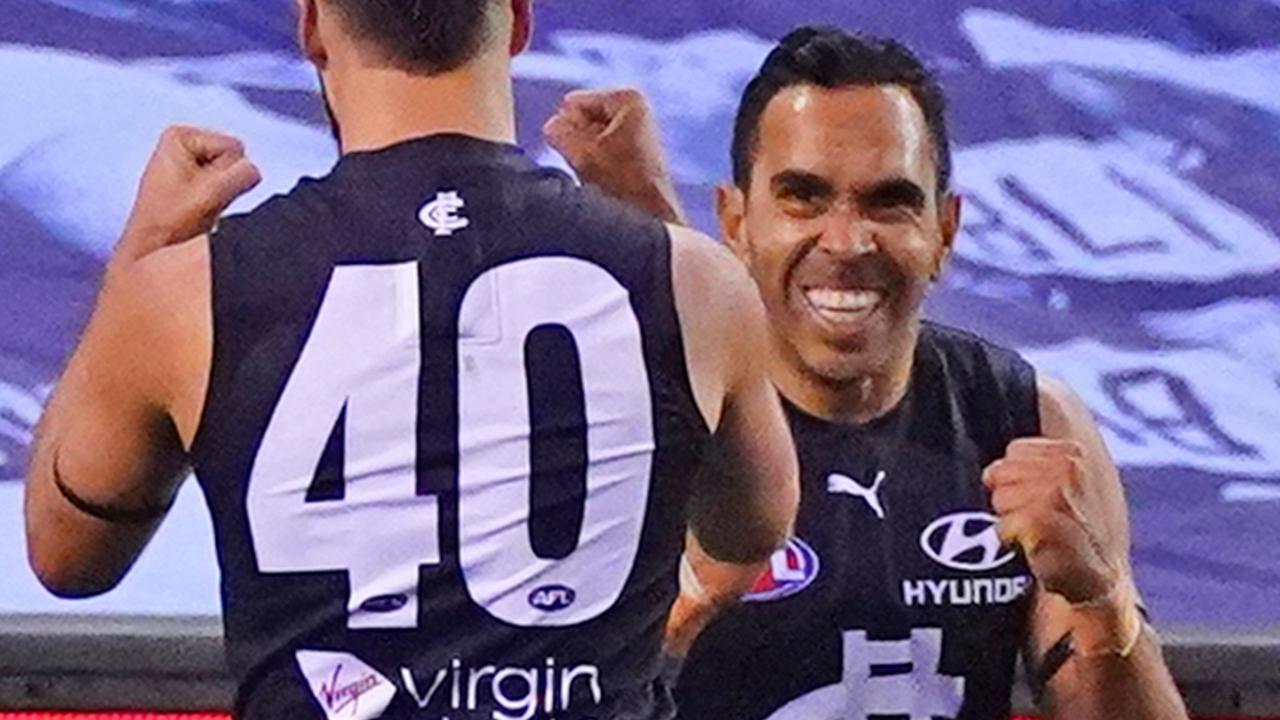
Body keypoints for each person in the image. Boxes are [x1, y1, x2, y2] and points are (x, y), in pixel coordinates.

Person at [23, 1, 801, 718]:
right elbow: (750, 524)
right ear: (520, 19)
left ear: (311, 27)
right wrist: (655, 217)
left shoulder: (184, 293)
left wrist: (139, 259)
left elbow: (66, 558)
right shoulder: (692, 280)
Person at [545, 27, 1189, 720]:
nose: (847, 242)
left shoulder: (1025, 424)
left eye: (889, 202)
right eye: (804, 198)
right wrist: (687, 608)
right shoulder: (643, 433)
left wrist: (1101, 601)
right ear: (735, 221)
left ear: (945, 231)